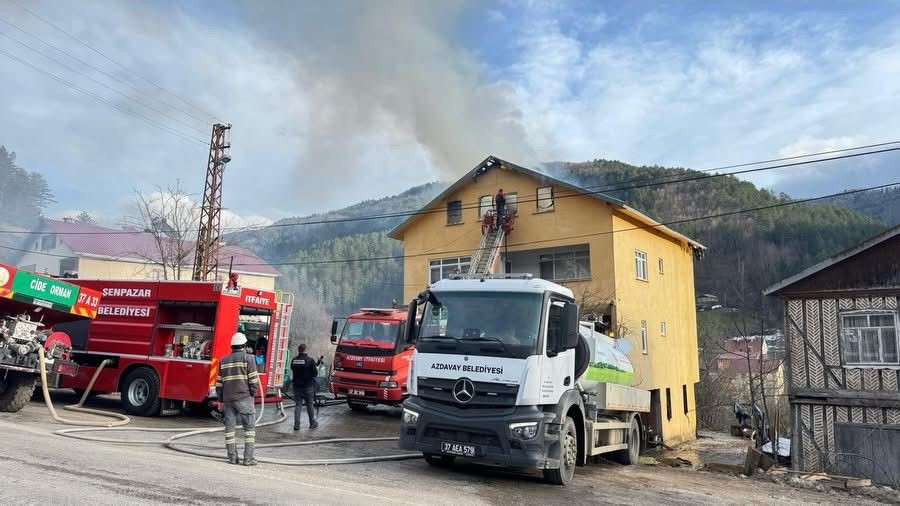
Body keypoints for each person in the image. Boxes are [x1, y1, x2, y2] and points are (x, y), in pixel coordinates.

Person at [215, 332, 260, 466]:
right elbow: (253, 380)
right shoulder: (249, 359)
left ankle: (232, 458)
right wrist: (252, 393)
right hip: (244, 398)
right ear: (244, 345)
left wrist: (221, 399)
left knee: (229, 430)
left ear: (232, 346)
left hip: (228, 399)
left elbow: (219, 384)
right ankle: (248, 458)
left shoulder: (223, 361)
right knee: (250, 429)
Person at [290, 344, 318, 430]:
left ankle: (296, 425)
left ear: (299, 350)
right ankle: (312, 423)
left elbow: (293, 369)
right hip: (308, 386)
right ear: (306, 350)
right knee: (309, 404)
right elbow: (315, 374)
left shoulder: (294, 360)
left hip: (296, 387)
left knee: (298, 405)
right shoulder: (310, 360)